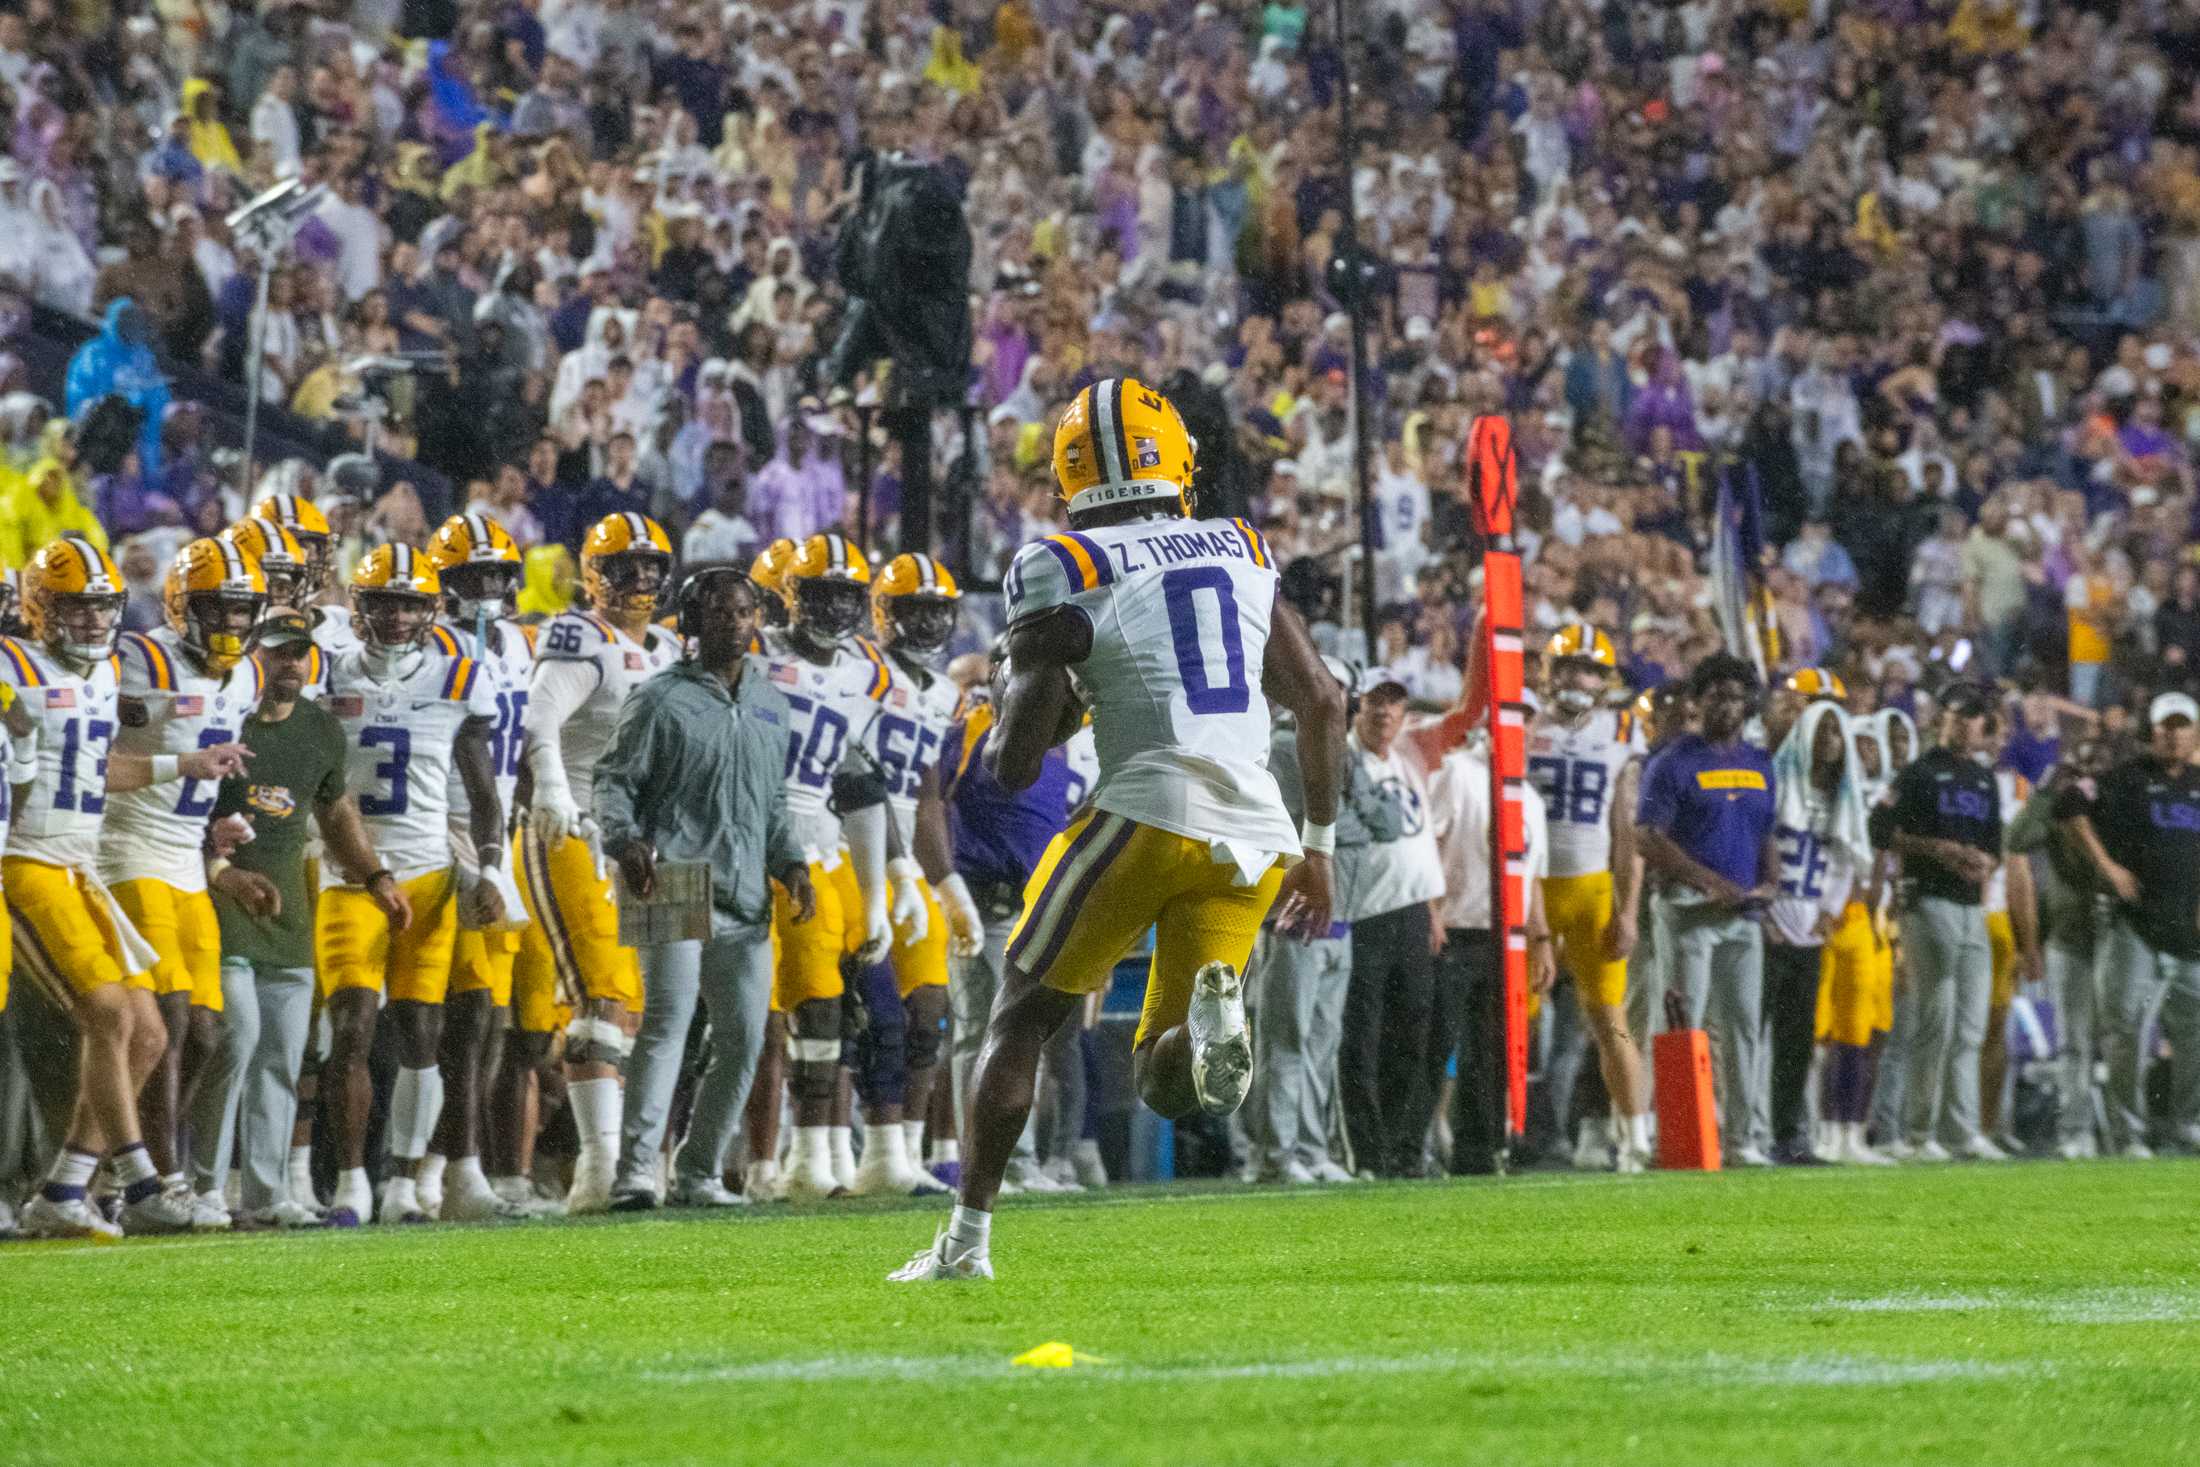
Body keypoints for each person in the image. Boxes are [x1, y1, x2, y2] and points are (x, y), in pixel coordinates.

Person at [892, 377, 1344, 1282]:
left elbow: (1016, 764)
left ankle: (965, 1245)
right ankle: (1212, 1021)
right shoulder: (1243, 544)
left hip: (1143, 809)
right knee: (1165, 1079)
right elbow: (1323, 701)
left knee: (1018, 1018)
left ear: (1070, 475)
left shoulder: (1058, 564)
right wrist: (1321, 851)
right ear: (1176, 457)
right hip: (1257, 834)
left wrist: (1036, 693)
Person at [10, 539, 248, 1239]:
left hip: (79, 865)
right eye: (75, 608)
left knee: (146, 1032)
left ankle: (64, 1188)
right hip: (24, 860)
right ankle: (143, 1182)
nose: (90, 622)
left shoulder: (105, 675)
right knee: (111, 1013)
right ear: (39, 608)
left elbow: (97, 771)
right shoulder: (10, 666)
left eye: (100, 608)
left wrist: (186, 761)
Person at [594, 567, 816, 1209]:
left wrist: (792, 862)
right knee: (666, 1023)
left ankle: (698, 1171)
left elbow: (772, 801)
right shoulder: (659, 697)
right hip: (669, 876)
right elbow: (613, 779)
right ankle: (636, 1173)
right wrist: (622, 837)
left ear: (759, 619)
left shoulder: (773, 702)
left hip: (746, 888)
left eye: (744, 612)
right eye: (719, 612)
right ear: (689, 623)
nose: (734, 623)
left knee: (747, 1038)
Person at [315, 545, 507, 1225]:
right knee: (352, 1028)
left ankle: (402, 1179)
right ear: (358, 605)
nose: (395, 616)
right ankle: (350, 1180)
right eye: (381, 602)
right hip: (348, 877)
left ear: (431, 609)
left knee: (423, 1031)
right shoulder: (325, 671)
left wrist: (492, 868)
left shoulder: (459, 678)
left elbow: (484, 794)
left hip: (428, 873)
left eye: (408, 603)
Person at [202, 611, 405, 1227]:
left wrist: (375, 874)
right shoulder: (223, 717)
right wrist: (221, 871)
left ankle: (265, 1195)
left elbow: (335, 806)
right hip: (223, 902)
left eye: (299, 653)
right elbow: (181, 814)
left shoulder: (319, 728)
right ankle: (205, 1187)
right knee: (233, 1042)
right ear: (250, 655)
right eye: (278, 652)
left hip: (290, 907)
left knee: (283, 1059)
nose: (290, 663)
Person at [512, 512, 681, 1212]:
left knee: (658, 1008)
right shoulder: (581, 634)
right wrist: (552, 789)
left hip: (655, 839)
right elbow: (538, 718)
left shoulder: (673, 646)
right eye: (623, 567)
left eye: (649, 567)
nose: (639, 579)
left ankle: (634, 1162)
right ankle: (600, 1168)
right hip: (574, 823)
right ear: (592, 574)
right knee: (601, 998)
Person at [100, 538, 269, 1228]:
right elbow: (96, 753)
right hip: (127, 846)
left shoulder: (247, 675)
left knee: (206, 1030)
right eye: (216, 606)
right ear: (181, 603)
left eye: (241, 607)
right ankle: (159, 1179)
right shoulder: (139, 658)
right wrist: (182, 765)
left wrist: (218, 828)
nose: (230, 621)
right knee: (165, 1020)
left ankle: (130, 1166)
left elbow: (216, 766)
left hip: (185, 860)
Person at [749, 532, 902, 1201]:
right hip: (745, 827)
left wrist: (876, 892)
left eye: (846, 593)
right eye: (819, 592)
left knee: (827, 1003)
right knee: (727, 1016)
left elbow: (863, 784)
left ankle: (812, 1154)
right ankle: (726, 1160)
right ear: (790, 594)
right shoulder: (754, 649)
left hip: (818, 835)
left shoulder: (868, 670)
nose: (834, 607)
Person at [930, 642, 1099, 1195]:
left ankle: (1012, 1161)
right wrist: (946, 886)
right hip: (983, 899)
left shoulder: (1079, 744)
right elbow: (928, 800)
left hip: (1043, 904)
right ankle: (1003, 1164)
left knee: (1026, 1036)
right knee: (987, 1031)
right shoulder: (970, 729)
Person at [418, 513, 535, 1220]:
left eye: (497, 574)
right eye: (473, 575)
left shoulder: (519, 644)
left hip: (501, 829)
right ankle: (448, 1169)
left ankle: (447, 1167)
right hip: (443, 825)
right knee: (462, 1008)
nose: (489, 587)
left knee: (490, 1012)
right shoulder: (431, 642)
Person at [1244, 657, 1392, 1184]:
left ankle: (1311, 1147)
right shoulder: (1287, 746)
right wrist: (1351, 815)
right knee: (1287, 1038)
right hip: (1298, 916)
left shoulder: (1339, 751)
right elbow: (1311, 824)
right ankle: (1278, 1152)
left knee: (1322, 1042)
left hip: (1340, 918)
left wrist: (1353, 813)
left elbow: (1387, 820)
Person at [850, 553, 968, 1196]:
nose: (925, 624)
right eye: (912, 610)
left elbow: (925, 793)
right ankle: (858, 1148)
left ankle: (907, 1153)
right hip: (852, 850)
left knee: (929, 1014)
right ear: (884, 614)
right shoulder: (862, 671)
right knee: (870, 1018)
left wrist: (947, 883)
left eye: (936, 611)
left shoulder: (944, 691)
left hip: (910, 868)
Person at [1635, 652, 1780, 1167]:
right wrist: (1708, 881)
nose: (1726, 705)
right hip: (1688, 909)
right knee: (1681, 1021)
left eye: (1735, 696)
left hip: (1743, 914)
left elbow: (1765, 832)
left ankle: (1743, 1139)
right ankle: (1675, 1137)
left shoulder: (1761, 764)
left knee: (1743, 1026)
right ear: (1698, 702)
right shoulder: (1673, 762)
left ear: (1748, 704)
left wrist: (1772, 883)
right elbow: (1647, 838)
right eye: (1715, 695)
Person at [1524, 625, 1651, 1173]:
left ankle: (1634, 1134)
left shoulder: (1622, 729)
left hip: (1592, 888)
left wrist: (1628, 909)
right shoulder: (1522, 724)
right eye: (1569, 666)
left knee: (1612, 1020)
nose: (1578, 677)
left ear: (1605, 681)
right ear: (1549, 672)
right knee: (1514, 1019)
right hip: (1531, 888)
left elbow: (1628, 832)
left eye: (1589, 669)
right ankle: (1504, 1132)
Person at [2056, 693, 2200, 1158]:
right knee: (2127, 1036)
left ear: (2194, 733)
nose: (2174, 735)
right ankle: (2128, 1132)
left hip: (2190, 933)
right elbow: (2070, 802)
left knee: (2195, 1034)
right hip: (2134, 925)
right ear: (2152, 732)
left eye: (2183, 726)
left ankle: (2188, 1123)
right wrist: (2106, 865)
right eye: (2166, 727)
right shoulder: (2125, 778)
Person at [1880, 682, 2005, 1162]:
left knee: (1971, 1024)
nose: (1965, 723)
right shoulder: (1918, 774)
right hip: (1928, 898)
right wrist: (1939, 849)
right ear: (1942, 719)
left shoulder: (1983, 778)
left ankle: (1961, 1129)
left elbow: (1995, 844)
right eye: (1957, 714)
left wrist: (1984, 863)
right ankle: (1918, 1132)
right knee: (1936, 1015)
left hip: (1973, 905)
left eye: (1972, 717)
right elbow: (1882, 829)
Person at [1426, 722, 1554, 1175]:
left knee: (1490, 1050)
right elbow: (1432, 842)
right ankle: (1412, 1145)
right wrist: (1432, 912)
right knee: (1434, 1042)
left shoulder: (1530, 799)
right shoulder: (1458, 771)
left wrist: (1540, 939)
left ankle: (1477, 1150)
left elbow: (1531, 877)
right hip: (1455, 927)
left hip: (1507, 938)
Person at [1336, 673, 1448, 1178]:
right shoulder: (1343, 758)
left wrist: (1432, 910)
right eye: (1375, 704)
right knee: (1361, 1037)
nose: (1384, 714)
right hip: (1364, 912)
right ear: (1358, 707)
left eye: (1394, 705)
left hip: (1412, 910)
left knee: (1413, 1035)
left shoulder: (1409, 758)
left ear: (1404, 714)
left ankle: (1404, 1149)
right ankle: (1367, 1150)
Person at [1764, 699, 1872, 1165]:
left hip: (1810, 929)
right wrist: (1764, 915)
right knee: (1751, 1038)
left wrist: (1831, 911)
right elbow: (1752, 846)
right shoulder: (1775, 783)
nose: (1829, 741)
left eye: (1836, 732)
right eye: (1822, 730)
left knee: (1797, 1042)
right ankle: (1745, 1131)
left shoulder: (1843, 797)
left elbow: (1848, 860)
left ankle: (1789, 1133)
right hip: (1769, 924)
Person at [2005, 737, 2109, 1158]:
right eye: (2079, 769)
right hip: (2068, 936)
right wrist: (2047, 793)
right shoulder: (2055, 810)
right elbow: (2017, 838)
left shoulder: (2118, 805)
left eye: (2093, 768)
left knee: (2124, 1038)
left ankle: (2125, 1131)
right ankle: (2074, 1131)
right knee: (2074, 1041)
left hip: (2121, 934)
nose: (2085, 778)